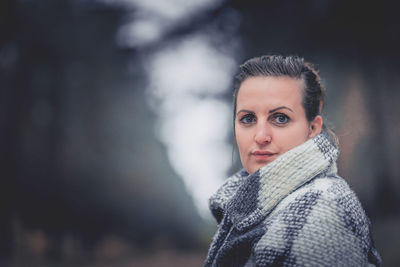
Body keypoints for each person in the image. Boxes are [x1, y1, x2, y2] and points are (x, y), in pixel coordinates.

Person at [204, 55, 381, 266]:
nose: (260, 136)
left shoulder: (319, 211)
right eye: (248, 119)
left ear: (312, 129)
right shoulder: (250, 208)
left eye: (280, 118)